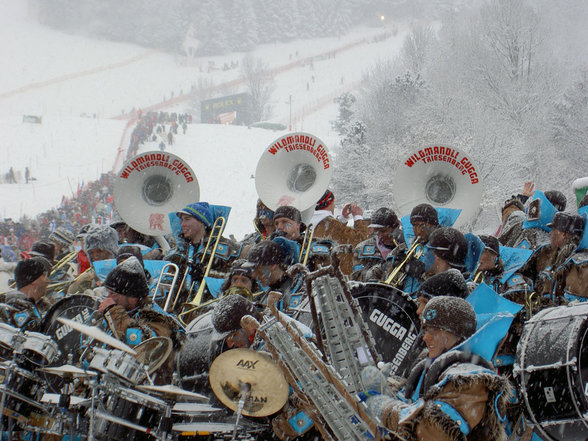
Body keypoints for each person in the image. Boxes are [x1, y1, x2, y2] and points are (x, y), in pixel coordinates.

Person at [362, 296, 511, 441]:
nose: (425, 337)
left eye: (434, 330)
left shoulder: (471, 381)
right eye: (426, 330)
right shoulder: (431, 366)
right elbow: (412, 403)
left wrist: (386, 410)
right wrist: (388, 390)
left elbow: (434, 431)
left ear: (457, 334)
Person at [98, 257, 184, 383]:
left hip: (146, 391)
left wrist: (113, 310)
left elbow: (139, 346)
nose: (108, 298)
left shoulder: (159, 319)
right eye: (108, 293)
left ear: (132, 298)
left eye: (114, 294)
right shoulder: (123, 312)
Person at [308, 190, 370, 275]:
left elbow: (331, 235)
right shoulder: (331, 225)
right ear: (330, 203)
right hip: (335, 280)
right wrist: (358, 216)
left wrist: (343, 218)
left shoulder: (309, 221)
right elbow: (361, 240)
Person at [1, 257, 51, 331]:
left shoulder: (42, 307)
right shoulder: (10, 311)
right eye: (44, 276)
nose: (48, 281)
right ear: (33, 281)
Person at [67, 225, 119, 294]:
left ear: (111, 252)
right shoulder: (88, 278)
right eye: (91, 252)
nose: (95, 256)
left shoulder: (121, 275)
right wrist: (76, 284)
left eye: (99, 251)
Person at [352, 207, 400, 281]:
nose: (380, 235)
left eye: (383, 231)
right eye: (377, 231)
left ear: (395, 228)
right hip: (374, 291)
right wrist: (379, 269)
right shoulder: (362, 249)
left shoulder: (408, 245)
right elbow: (356, 278)